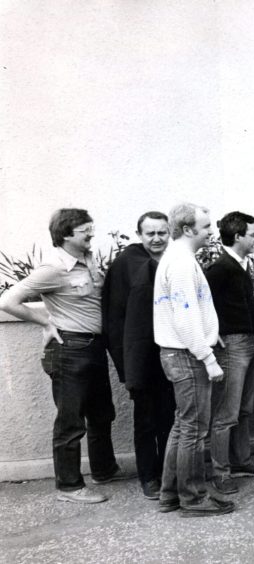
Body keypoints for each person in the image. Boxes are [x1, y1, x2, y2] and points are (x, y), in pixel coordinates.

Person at [0, 209, 126, 504]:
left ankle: (104, 470)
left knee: (101, 414)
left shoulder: (88, 259)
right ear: (66, 235)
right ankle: (69, 487)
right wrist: (45, 322)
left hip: (93, 347)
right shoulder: (53, 268)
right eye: (85, 230)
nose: (91, 234)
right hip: (70, 350)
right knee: (70, 421)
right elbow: (8, 300)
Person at [153, 202, 234, 517]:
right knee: (194, 430)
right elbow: (185, 318)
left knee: (183, 426)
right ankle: (193, 499)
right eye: (207, 226)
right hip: (187, 356)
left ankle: (170, 494)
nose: (212, 231)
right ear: (188, 229)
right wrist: (207, 356)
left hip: (179, 353)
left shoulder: (175, 258)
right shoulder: (183, 262)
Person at [102, 211, 175, 499]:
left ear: (169, 233)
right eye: (150, 234)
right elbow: (115, 317)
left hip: (169, 354)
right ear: (139, 235)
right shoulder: (126, 265)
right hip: (140, 357)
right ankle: (149, 477)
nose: (156, 239)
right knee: (145, 419)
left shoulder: (172, 260)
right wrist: (125, 362)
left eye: (162, 233)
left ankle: (168, 471)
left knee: (169, 417)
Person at [205, 211, 254, 496]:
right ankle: (220, 472)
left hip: (248, 342)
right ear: (238, 236)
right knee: (227, 413)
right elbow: (204, 303)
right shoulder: (221, 268)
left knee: (244, 409)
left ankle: (241, 461)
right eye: (252, 234)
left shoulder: (238, 264)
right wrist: (212, 333)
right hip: (232, 345)